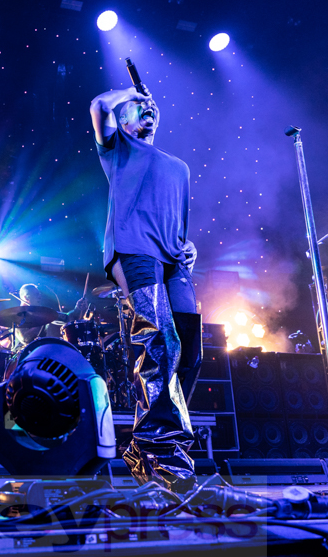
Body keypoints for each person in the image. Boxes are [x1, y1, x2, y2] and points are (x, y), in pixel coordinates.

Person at [89, 85, 203, 492]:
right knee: (161, 341)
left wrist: (188, 247)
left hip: (172, 257)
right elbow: (99, 107)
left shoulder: (179, 166)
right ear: (124, 119)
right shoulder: (118, 150)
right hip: (134, 250)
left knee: (189, 349)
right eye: (139, 108)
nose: (148, 109)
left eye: (153, 107)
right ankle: (163, 455)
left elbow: (177, 223)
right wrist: (130, 92)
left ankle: (148, 444)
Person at [4, 283, 87, 352]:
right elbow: (26, 339)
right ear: (26, 297)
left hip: (39, 353)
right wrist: (42, 318)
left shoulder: (42, 312)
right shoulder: (17, 315)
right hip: (21, 357)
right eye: (36, 295)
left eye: (39, 294)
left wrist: (78, 308)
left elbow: (67, 319)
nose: (40, 297)